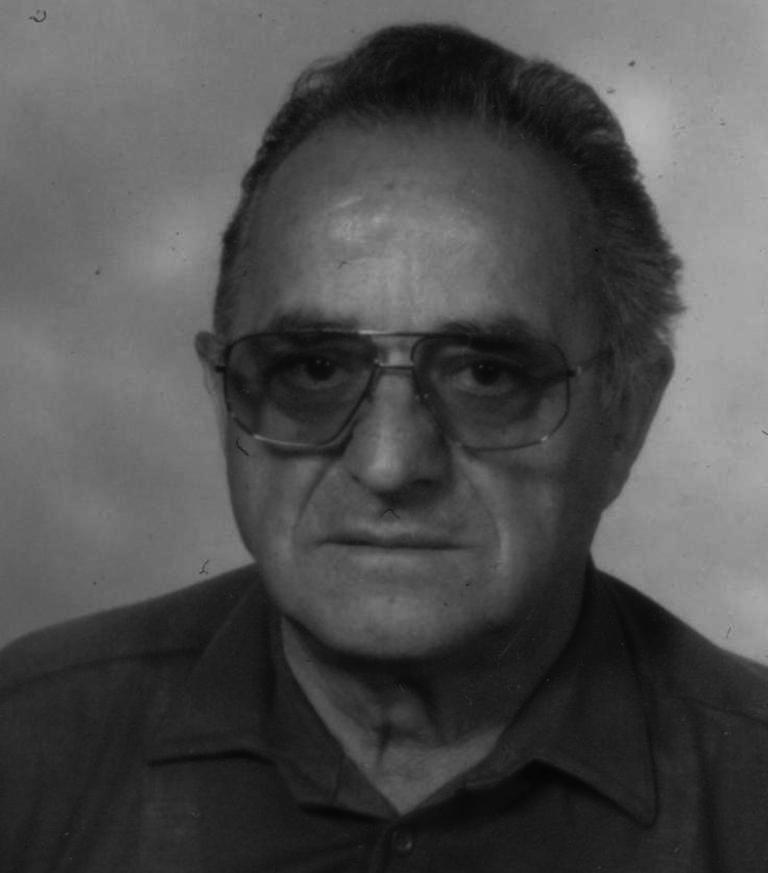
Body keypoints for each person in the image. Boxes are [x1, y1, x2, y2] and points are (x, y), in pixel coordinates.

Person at [1, 21, 767, 872]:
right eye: (315, 368)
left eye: (485, 375)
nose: (390, 464)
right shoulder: (24, 744)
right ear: (224, 399)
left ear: (627, 416)